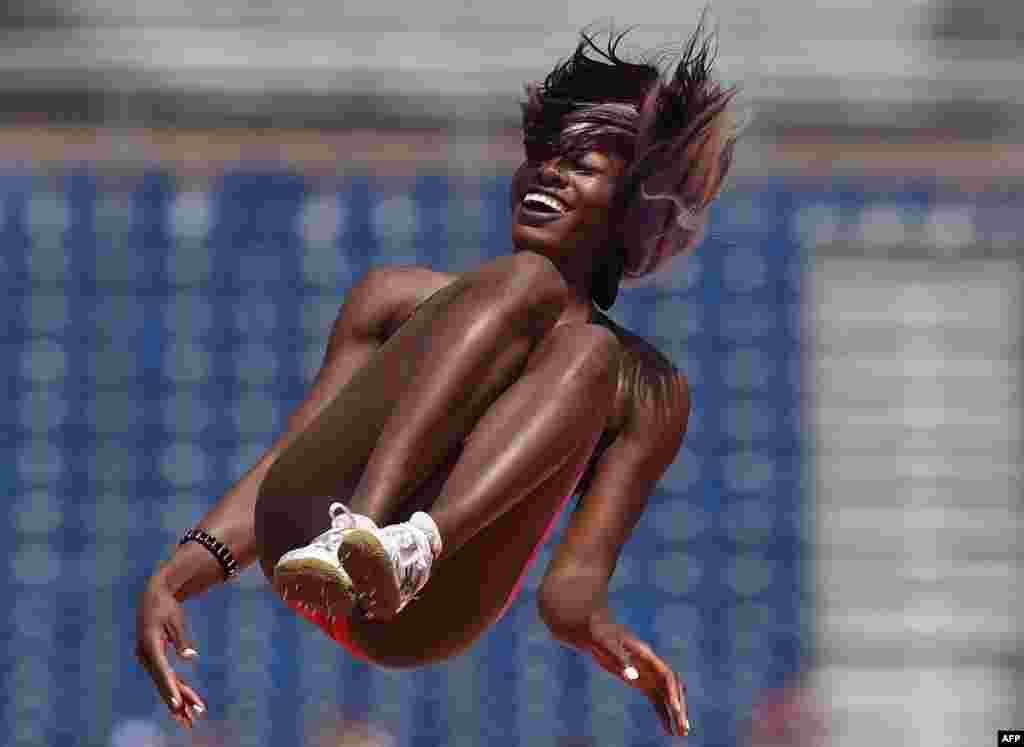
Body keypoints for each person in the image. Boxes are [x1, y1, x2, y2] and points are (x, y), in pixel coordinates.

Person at [135, 22, 738, 738]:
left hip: (419, 612)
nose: (547, 172)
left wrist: (599, 628)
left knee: (590, 356)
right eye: (543, 156)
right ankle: (356, 532)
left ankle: (408, 545)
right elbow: (289, 458)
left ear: (631, 205)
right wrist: (178, 573)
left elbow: (570, 585)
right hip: (306, 530)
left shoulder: (648, 389)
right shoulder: (395, 299)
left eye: (580, 163)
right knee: (531, 288)